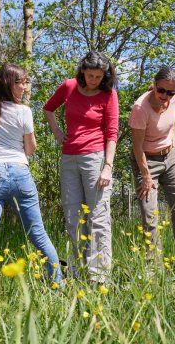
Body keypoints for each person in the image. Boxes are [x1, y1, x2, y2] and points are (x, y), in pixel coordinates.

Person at [0, 64, 62, 296]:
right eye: (20, 82)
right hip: (20, 173)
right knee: (37, 234)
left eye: (25, 82)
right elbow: (30, 150)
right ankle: (58, 286)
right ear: (8, 83)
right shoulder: (24, 112)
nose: (24, 87)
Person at [43, 51, 119, 283]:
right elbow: (48, 108)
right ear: (82, 71)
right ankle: (77, 272)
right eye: (90, 75)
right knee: (73, 218)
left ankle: (99, 276)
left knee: (97, 217)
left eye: (99, 76)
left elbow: (112, 133)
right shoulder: (69, 86)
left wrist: (108, 166)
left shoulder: (109, 95)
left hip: (95, 158)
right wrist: (57, 132)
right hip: (68, 159)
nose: (94, 80)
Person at [128, 67, 175, 264]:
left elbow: (171, 120)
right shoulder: (140, 109)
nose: (165, 96)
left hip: (171, 157)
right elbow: (137, 147)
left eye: (170, 92)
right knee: (150, 213)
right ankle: (153, 265)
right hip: (146, 161)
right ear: (154, 85)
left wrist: (171, 139)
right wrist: (146, 176)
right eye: (161, 90)